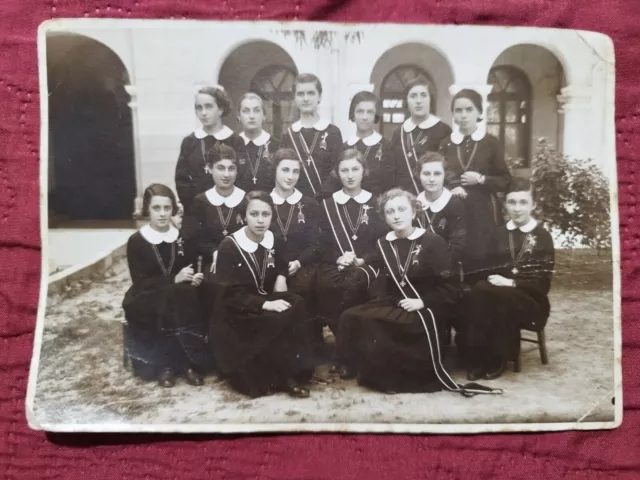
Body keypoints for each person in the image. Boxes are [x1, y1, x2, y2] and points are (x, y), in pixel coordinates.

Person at [334, 189, 501, 396]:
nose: (396, 215)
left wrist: (422, 301)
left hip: (427, 308)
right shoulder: (384, 243)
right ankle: (359, 366)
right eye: (390, 211)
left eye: (402, 209)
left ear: (414, 212)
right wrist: (351, 262)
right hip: (396, 302)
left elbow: (451, 287)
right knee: (350, 315)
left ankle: (394, 376)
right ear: (385, 217)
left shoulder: (433, 242)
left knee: (376, 321)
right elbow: (373, 261)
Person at [210, 191, 315, 398]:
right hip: (237, 309)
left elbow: (281, 266)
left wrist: (281, 277)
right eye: (254, 214)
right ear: (244, 216)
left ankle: (290, 372)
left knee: (297, 304)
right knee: (275, 317)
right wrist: (264, 305)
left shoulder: (273, 239)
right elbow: (227, 294)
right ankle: (278, 375)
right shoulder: (230, 246)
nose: (260, 220)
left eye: (265, 214)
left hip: (266, 298)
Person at [458, 177, 555, 381]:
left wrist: (511, 283)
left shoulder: (543, 236)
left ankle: (496, 358)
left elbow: (542, 283)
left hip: (530, 300)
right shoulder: (498, 233)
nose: (517, 209)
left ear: (533, 205)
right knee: (480, 292)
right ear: (505, 205)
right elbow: (486, 267)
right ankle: (479, 356)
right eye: (512, 202)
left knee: (490, 294)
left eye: (523, 202)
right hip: (496, 294)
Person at [122, 184, 210, 388]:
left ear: (173, 209)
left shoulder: (179, 237)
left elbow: (186, 267)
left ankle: (187, 363)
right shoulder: (137, 241)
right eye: (156, 208)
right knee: (169, 301)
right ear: (147, 209)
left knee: (188, 295)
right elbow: (140, 281)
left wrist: (192, 277)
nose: (162, 214)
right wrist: (173, 280)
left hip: (178, 293)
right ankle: (165, 366)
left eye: (167, 208)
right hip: (148, 295)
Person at [439, 88, 511, 279]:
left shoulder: (491, 143)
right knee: (453, 260)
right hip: (453, 211)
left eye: (469, 110)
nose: (463, 115)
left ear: (479, 112)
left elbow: (505, 180)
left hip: (483, 214)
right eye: (458, 110)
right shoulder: (446, 144)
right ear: (453, 113)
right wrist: (452, 187)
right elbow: (438, 176)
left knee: (481, 263)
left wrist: (481, 179)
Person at [316, 149, 386, 338]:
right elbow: (321, 243)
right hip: (336, 265)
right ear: (337, 173)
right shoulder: (327, 205)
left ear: (364, 171)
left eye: (355, 169)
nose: (350, 175)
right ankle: (342, 341)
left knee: (355, 283)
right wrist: (338, 258)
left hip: (368, 264)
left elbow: (383, 240)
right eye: (344, 170)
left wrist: (364, 260)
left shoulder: (376, 203)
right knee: (326, 285)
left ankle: (357, 343)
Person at [175, 86, 248, 240]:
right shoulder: (190, 142)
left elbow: (241, 176)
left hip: (230, 212)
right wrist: (196, 206)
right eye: (199, 108)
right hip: (197, 213)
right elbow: (181, 180)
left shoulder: (235, 140)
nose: (203, 112)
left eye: (208, 107)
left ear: (220, 109)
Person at [268, 148, 322, 318]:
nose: (290, 177)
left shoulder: (309, 204)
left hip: (301, 265)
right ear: (274, 170)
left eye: (295, 171)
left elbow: (315, 243)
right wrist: (280, 272)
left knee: (304, 287)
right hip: (271, 265)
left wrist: (299, 262)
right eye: (285, 170)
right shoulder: (264, 202)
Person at [186, 144, 246, 278]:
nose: (226, 174)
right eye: (220, 168)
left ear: (237, 171)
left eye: (231, 168)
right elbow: (197, 239)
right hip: (212, 263)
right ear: (209, 168)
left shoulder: (246, 200)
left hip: (243, 261)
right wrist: (214, 252)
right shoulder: (201, 201)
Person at [281, 73, 343, 199]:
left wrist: (320, 198)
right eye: (300, 94)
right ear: (294, 98)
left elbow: (337, 171)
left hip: (326, 203)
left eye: (311, 93)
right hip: (296, 202)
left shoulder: (333, 132)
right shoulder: (289, 134)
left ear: (319, 97)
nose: (305, 98)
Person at [388, 79, 452, 196]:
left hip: (433, 197)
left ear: (430, 99)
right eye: (413, 96)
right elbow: (394, 171)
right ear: (406, 101)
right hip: (405, 199)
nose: (418, 101)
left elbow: (448, 170)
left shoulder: (443, 130)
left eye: (423, 95)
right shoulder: (399, 133)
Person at [414, 152, 467, 269]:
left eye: (437, 174)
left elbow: (457, 245)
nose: (431, 179)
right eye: (426, 174)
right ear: (419, 175)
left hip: (443, 267)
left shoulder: (454, 204)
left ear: (445, 175)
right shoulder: (414, 203)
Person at [237, 92, 280, 192]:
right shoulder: (232, 145)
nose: (252, 116)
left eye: (256, 111)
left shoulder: (277, 145)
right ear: (238, 116)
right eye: (246, 111)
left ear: (264, 116)